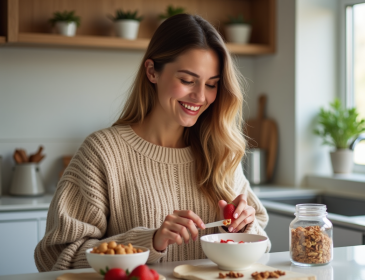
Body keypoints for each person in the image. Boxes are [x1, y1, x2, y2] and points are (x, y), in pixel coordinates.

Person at [35, 13, 271, 271]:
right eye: (187, 80)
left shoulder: (220, 150)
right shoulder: (103, 152)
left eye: (212, 84)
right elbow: (56, 259)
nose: (200, 96)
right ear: (152, 72)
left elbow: (264, 248)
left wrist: (245, 226)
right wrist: (151, 242)